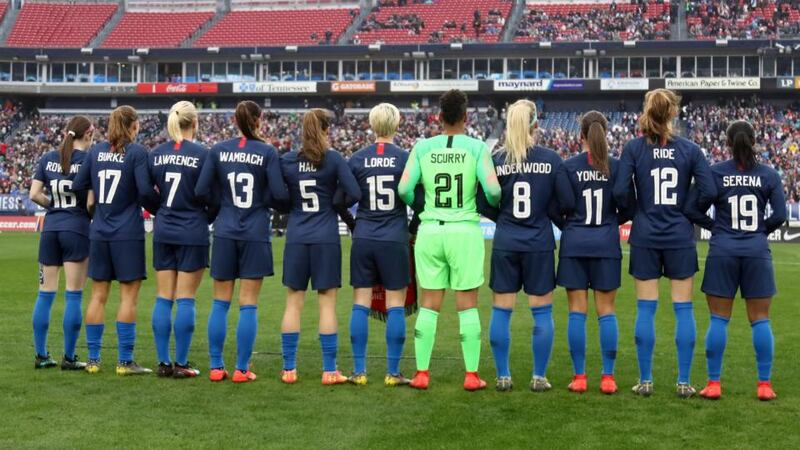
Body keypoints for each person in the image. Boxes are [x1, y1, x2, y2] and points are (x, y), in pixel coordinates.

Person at [612, 89, 717, 397]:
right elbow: (709, 190)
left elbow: (620, 191)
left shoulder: (633, 149)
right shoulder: (690, 150)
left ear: (647, 112)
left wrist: (635, 212)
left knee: (646, 309)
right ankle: (683, 382)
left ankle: (645, 381)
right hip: (679, 237)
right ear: (673, 113)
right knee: (683, 310)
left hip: (645, 235)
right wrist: (687, 210)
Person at [398, 89, 501, 391]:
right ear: (466, 117)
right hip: (464, 231)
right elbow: (494, 191)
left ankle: (421, 374)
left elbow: (404, 189)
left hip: (430, 230)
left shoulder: (422, 147)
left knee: (429, 305)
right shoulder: (476, 147)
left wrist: (424, 205)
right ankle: (471, 376)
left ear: (439, 117)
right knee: (467, 305)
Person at [686, 121, 786, 401]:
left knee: (718, 320)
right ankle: (764, 385)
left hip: (723, 251)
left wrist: (714, 226)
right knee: (761, 321)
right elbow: (779, 215)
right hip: (756, 252)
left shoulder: (715, 173)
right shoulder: (769, 175)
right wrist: (758, 232)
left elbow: (691, 208)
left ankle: (714, 384)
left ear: (728, 143)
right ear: (754, 141)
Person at [195, 100, 288, 383]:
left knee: (220, 303)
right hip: (255, 233)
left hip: (224, 230)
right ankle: (241, 369)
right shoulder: (267, 151)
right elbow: (280, 196)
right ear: (259, 120)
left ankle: (215, 367)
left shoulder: (218, 150)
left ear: (235, 121)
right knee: (248, 303)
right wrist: (263, 201)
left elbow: (201, 190)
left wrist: (219, 205)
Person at [478, 99, 563, 392]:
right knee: (542, 313)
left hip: (506, 240)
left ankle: (503, 375)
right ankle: (539, 376)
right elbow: (560, 203)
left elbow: (482, 201)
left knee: (502, 310)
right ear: (536, 125)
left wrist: (502, 216)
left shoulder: (496, 159)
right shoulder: (552, 159)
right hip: (538, 242)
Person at [278, 108, 361, 386]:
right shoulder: (334, 158)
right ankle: (329, 371)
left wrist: (292, 204)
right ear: (326, 130)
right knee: (327, 305)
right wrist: (335, 201)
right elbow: (354, 193)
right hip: (325, 236)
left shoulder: (288, 160)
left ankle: (289, 369)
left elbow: (278, 195)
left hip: (297, 236)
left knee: (293, 303)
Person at [72, 106, 157, 375]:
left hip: (100, 231)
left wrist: (96, 206)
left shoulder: (96, 151)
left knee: (98, 296)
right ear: (132, 126)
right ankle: (124, 362)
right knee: (128, 298)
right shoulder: (138, 152)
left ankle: (94, 360)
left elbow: (78, 185)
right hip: (128, 233)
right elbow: (145, 192)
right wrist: (162, 209)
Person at [554, 111, 634, 394]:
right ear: (606, 132)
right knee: (606, 312)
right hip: (606, 244)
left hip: (574, 244)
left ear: (581, 136)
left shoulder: (567, 166)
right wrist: (612, 221)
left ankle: (579, 378)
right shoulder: (616, 166)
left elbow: (560, 205)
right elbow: (629, 204)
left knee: (577, 312)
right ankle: (608, 378)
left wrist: (570, 225)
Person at [341, 103, 413, 386]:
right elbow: (417, 199)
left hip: (365, 237)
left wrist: (353, 223)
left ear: (371, 125)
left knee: (360, 304)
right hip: (394, 237)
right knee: (396, 305)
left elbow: (339, 200)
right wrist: (413, 227)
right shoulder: (405, 158)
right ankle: (393, 373)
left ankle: (359, 372)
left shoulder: (357, 159)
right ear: (397, 124)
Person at [148, 101, 212, 379]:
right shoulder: (203, 154)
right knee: (186, 300)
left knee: (164, 299)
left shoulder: (156, 153)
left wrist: (159, 211)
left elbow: (145, 191)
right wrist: (203, 219)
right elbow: (213, 198)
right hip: (192, 231)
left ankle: (163, 363)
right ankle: (182, 363)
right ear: (195, 123)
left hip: (164, 230)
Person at [29, 116, 94, 370]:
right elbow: (90, 202)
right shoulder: (88, 160)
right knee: (74, 296)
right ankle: (69, 357)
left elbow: (34, 194)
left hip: (50, 229)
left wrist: (54, 206)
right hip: (76, 229)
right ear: (87, 134)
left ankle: (41, 355)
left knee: (45, 295)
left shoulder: (47, 158)